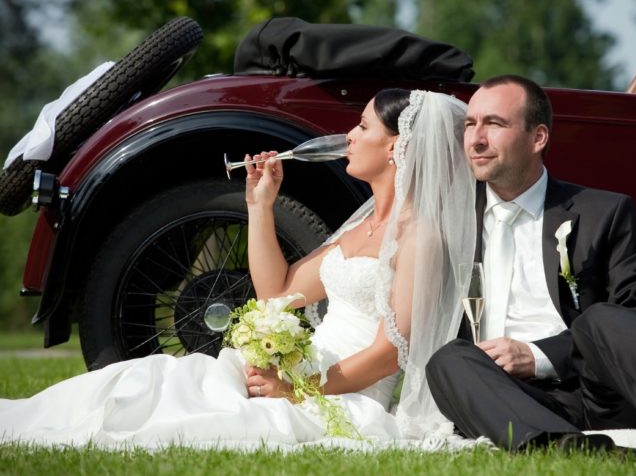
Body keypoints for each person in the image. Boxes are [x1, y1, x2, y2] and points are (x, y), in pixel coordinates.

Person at [0, 89, 476, 448]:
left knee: (204, 418)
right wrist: (261, 206)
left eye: (363, 127)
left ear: (397, 148)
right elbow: (279, 291)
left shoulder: (422, 235)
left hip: (341, 394)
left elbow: (391, 352)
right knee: (161, 378)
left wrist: (296, 390)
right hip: (295, 376)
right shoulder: (361, 228)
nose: (348, 136)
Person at [425, 74, 636, 457]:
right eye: (470, 125)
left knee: (601, 319)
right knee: (448, 359)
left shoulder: (603, 212)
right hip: (509, 399)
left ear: (538, 138)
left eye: (494, 124)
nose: (476, 139)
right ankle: (576, 451)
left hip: (601, 392)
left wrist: (540, 357)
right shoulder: (449, 220)